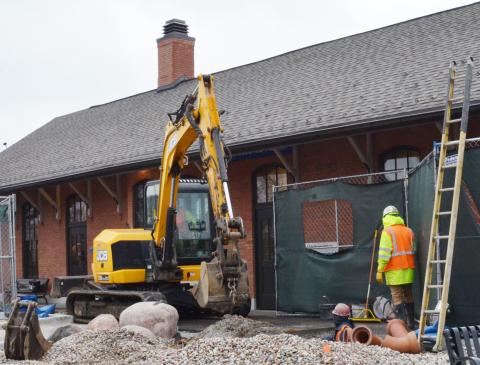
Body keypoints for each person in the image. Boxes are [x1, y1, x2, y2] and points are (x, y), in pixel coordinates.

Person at [376, 205, 416, 329]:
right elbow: (413, 249)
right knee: (409, 296)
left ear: (385, 217)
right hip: (408, 269)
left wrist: (379, 270)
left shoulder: (387, 232)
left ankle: (402, 326)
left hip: (394, 271)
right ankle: (411, 324)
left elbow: (384, 254)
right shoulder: (409, 231)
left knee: (397, 297)